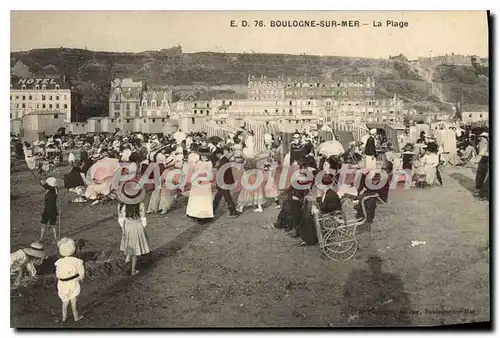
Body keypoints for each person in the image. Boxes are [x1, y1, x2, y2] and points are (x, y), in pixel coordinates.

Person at [116, 180, 151, 275]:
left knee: (128, 242)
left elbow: (120, 219)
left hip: (127, 226)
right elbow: (143, 218)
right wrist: (143, 228)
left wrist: (123, 228)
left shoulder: (121, 206)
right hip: (137, 227)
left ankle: (127, 257)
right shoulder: (140, 205)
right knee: (135, 249)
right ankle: (133, 270)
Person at [55, 237, 85, 322]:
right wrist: (80, 278)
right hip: (72, 282)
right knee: (73, 300)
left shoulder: (59, 262)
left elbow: (58, 273)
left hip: (62, 284)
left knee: (65, 301)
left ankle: (64, 318)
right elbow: (81, 272)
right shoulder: (76, 261)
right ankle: (76, 317)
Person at [186, 146, 214, 224]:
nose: (203, 157)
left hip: (204, 183)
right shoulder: (198, 162)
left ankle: (204, 216)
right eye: (202, 155)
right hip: (197, 183)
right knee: (196, 199)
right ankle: (195, 214)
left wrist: (201, 178)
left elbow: (209, 174)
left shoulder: (209, 163)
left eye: (205, 155)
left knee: (204, 200)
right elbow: (195, 171)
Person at [213, 147, 239, 217]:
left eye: (216, 155)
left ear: (218, 154)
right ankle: (212, 211)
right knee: (218, 197)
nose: (216, 156)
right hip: (224, 182)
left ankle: (233, 212)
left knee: (227, 198)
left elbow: (222, 172)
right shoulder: (225, 159)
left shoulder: (223, 160)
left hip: (223, 183)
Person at [40, 177, 59, 243]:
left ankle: (43, 239)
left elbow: (44, 185)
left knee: (48, 224)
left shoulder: (52, 189)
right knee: (49, 224)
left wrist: (41, 182)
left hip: (49, 209)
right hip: (51, 209)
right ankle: (42, 238)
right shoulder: (55, 189)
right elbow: (45, 186)